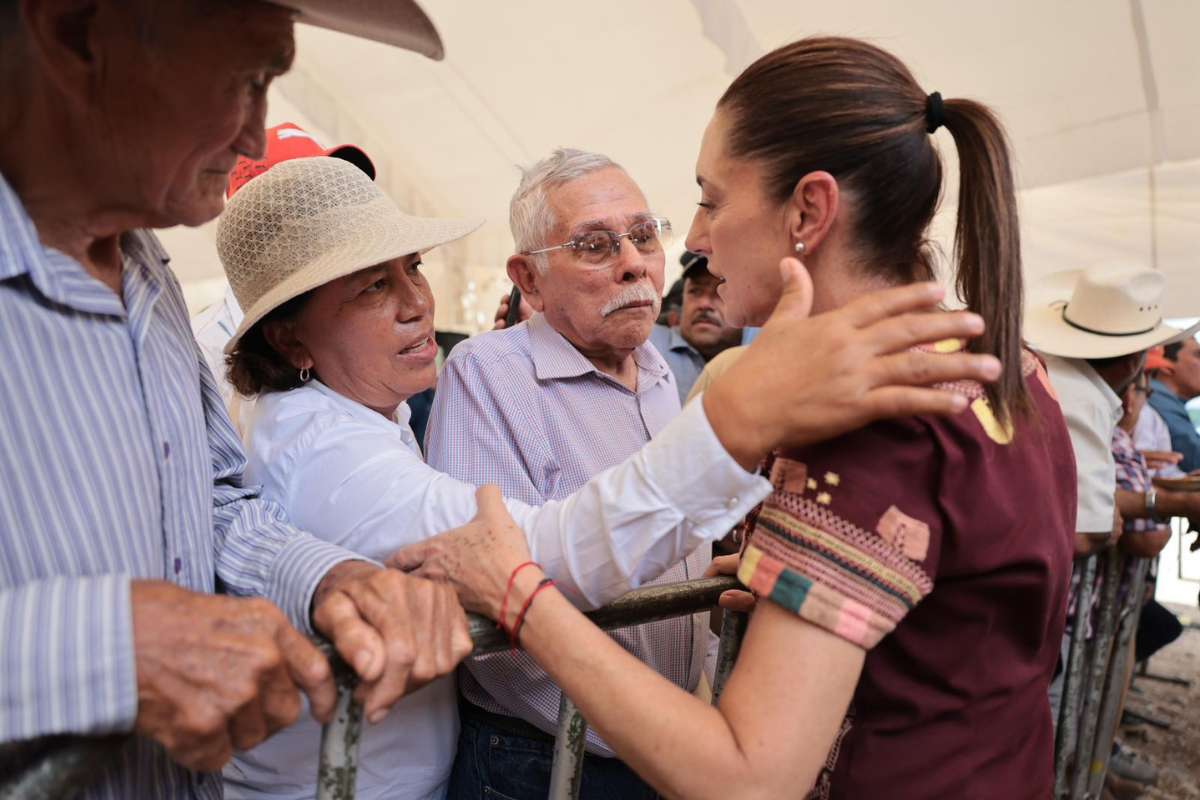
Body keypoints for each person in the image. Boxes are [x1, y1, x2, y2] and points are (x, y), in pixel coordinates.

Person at [398, 35, 1072, 800]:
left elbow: (748, 777)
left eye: (711, 200)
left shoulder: (861, 422)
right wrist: (786, 592)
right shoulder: (1011, 368)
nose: (693, 241)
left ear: (809, 212)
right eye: (597, 243)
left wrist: (517, 593)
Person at [211, 155, 996, 799]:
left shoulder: (371, 414)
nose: (418, 301)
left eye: (412, 269)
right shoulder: (337, 447)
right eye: (372, 288)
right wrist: (735, 427)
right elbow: (533, 550)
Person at [0, 2, 471, 799]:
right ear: (76, 30)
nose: (257, 135)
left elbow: (216, 500)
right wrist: (108, 646)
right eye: (246, 80)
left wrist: (325, 577)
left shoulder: (145, 267)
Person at [425, 149, 710, 797]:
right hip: (545, 762)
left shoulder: (660, 374)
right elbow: (487, 586)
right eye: (595, 245)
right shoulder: (489, 375)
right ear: (528, 279)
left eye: (643, 235)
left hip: (664, 746)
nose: (636, 262)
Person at [192, 122, 376, 434]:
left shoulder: (354, 318)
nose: (340, 216)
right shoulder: (201, 352)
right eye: (313, 202)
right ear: (258, 228)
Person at [649, 251, 743, 402]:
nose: (704, 304)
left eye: (719, 292)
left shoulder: (761, 356)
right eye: (695, 291)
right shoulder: (646, 345)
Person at [1147, 337, 1200, 472]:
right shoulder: (1157, 398)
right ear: (1165, 365)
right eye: (1198, 355)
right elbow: (1195, 458)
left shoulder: (1162, 399)